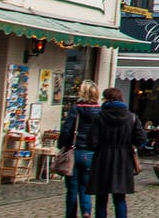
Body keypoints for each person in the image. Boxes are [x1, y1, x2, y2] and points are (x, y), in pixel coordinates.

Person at [87, 87, 146, 218]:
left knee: (101, 199)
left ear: (107, 99)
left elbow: (91, 143)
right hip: (123, 160)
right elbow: (141, 140)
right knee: (119, 198)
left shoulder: (100, 117)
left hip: (103, 159)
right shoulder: (131, 117)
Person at [58, 80, 101, 218]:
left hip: (75, 151)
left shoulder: (76, 109)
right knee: (85, 187)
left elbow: (66, 130)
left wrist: (62, 145)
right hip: (90, 153)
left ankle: (71, 215)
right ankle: (87, 212)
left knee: (72, 188)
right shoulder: (100, 111)